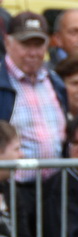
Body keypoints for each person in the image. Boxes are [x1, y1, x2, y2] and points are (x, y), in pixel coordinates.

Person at [0, 12, 67, 173]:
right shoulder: (2, 82)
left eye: (38, 45)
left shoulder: (55, 81)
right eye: (25, 45)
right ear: (8, 43)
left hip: (54, 187)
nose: (33, 53)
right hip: (13, 187)